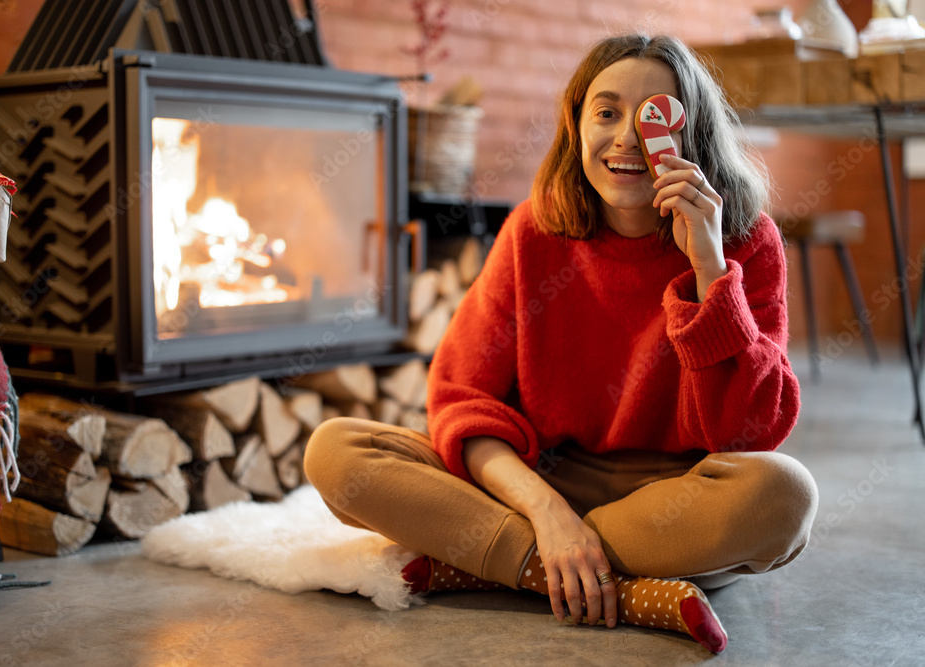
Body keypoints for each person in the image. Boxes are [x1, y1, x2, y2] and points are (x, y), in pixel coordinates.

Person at [304, 33, 818, 653]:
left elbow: (750, 431)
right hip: (542, 481)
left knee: (784, 496)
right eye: (606, 112)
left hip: (673, 501)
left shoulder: (747, 240)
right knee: (336, 450)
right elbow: (463, 398)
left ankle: (491, 565)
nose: (628, 136)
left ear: (693, 134)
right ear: (577, 128)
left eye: (655, 114)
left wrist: (710, 270)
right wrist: (548, 516)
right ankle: (618, 586)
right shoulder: (532, 230)